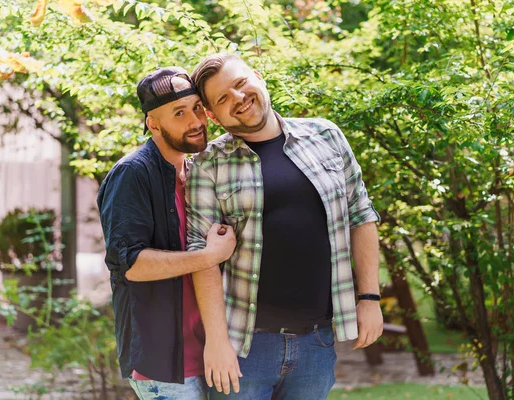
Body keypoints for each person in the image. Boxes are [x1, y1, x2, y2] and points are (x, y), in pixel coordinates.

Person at [186, 53, 384, 399]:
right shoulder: (207, 166)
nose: (237, 98)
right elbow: (202, 256)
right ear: (213, 116)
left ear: (259, 77)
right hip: (243, 348)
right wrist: (216, 342)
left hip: (316, 343)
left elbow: (361, 215)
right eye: (222, 98)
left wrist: (369, 298)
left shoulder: (326, 136)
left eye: (240, 83)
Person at [97, 66, 236, 400]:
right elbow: (130, 264)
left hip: (213, 352)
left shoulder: (197, 170)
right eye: (179, 113)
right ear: (153, 123)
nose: (195, 121)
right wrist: (208, 257)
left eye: (197, 108)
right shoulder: (132, 173)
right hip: (164, 366)